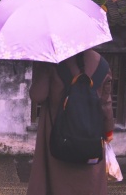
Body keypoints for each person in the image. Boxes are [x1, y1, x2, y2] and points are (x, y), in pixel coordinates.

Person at [27, 49, 114, 195]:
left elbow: (37, 95)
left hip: (58, 138)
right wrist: (108, 131)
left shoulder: (51, 62)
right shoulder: (102, 65)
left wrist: (41, 65)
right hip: (90, 138)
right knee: (90, 185)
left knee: (57, 185)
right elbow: (106, 104)